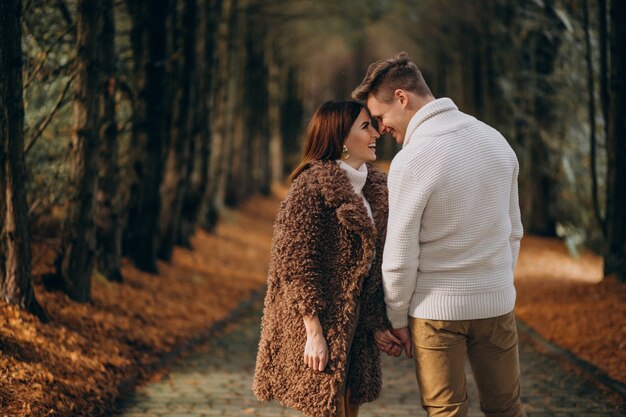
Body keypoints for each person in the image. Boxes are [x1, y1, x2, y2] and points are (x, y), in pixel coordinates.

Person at [351, 52, 526, 417]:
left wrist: (397, 318)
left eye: (381, 117)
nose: (381, 129)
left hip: (435, 311)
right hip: (496, 304)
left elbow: (400, 256)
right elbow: (514, 231)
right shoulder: (496, 141)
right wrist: (496, 283)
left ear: (402, 98)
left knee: (446, 412)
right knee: (506, 410)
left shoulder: (413, 160)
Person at [253, 101, 402, 417]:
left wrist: (377, 324)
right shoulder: (311, 186)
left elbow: (374, 265)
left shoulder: (377, 187)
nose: (376, 133)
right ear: (341, 138)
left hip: (356, 327)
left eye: (374, 125)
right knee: (326, 407)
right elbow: (294, 265)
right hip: (320, 323)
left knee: (349, 407)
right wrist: (314, 333)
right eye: (365, 127)